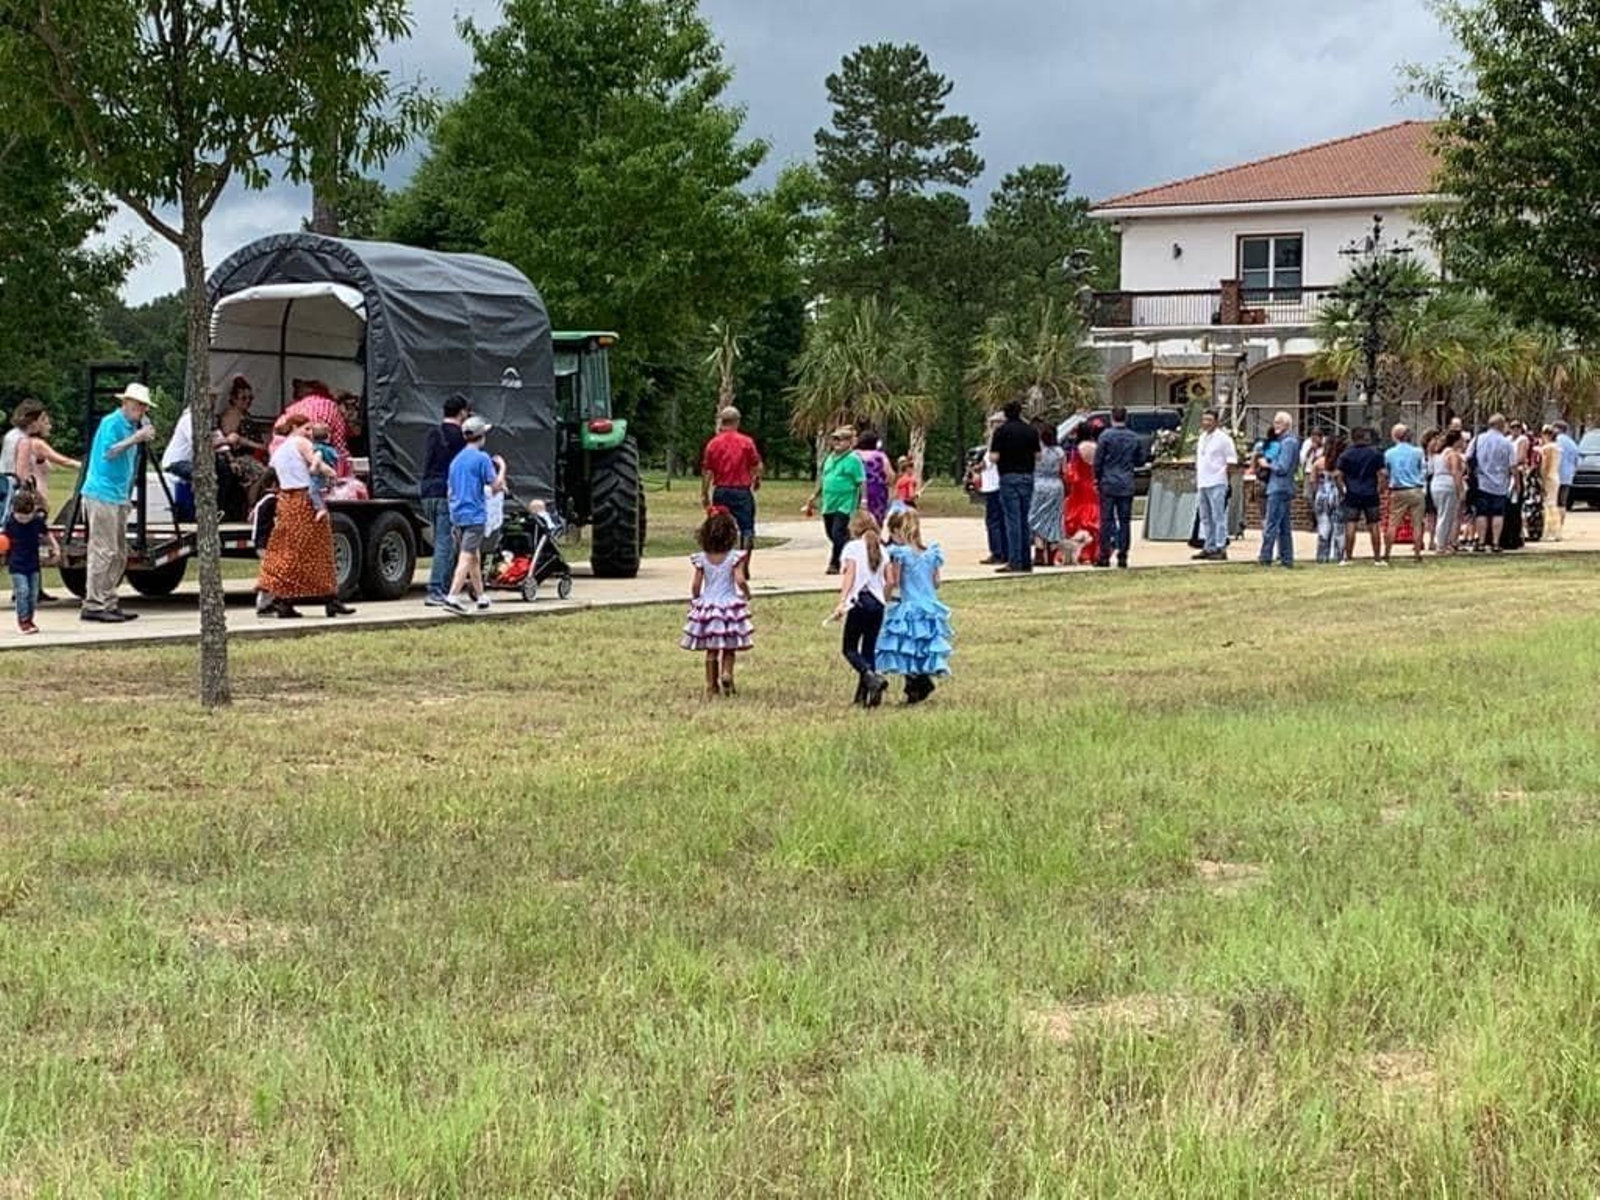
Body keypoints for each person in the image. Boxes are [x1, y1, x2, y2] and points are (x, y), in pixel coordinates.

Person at [258, 413, 349, 619]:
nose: (310, 433)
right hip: (304, 500)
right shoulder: (301, 443)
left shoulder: (279, 450)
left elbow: (273, 474)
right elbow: (314, 463)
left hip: (286, 501)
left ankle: (286, 599)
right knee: (319, 550)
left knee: (290, 550)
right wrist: (331, 472)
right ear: (294, 427)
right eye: (306, 428)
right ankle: (327, 599)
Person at [79, 382, 156, 622]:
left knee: (120, 553)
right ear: (125, 402)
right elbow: (109, 452)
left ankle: (108, 600)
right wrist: (136, 438)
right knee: (103, 550)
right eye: (137, 404)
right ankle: (94, 603)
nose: (141, 410)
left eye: (144, 406)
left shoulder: (132, 426)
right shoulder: (111, 423)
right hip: (101, 493)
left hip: (118, 495)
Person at [878, 508, 952, 705]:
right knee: (923, 647)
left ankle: (916, 684)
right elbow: (936, 582)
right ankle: (918, 684)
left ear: (898, 531)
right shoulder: (931, 553)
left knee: (906, 647)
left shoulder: (900, 554)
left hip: (910, 605)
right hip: (930, 606)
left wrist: (885, 593)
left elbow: (895, 581)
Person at [681, 507, 753, 698]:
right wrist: (746, 593)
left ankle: (711, 685)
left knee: (711, 649)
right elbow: (740, 580)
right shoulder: (734, 557)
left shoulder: (702, 559)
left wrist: (696, 599)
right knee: (729, 647)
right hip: (729, 605)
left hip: (709, 605)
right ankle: (727, 673)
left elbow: (696, 585)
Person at [440, 415, 507, 615]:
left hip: (457, 515)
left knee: (473, 556)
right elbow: (495, 486)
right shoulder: (482, 458)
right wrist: (502, 468)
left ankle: (481, 596)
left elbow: (450, 490)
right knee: (466, 556)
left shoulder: (456, 460)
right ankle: (453, 596)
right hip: (475, 515)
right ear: (482, 436)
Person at [830, 509, 889, 708]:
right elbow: (888, 579)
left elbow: (850, 575)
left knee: (849, 648)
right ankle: (863, 696)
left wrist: (842, 601)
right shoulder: (882, 549)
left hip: (860, 601)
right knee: (868, 649)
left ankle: (870, 677)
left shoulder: (852, 547)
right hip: (878, 603)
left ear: (854, 528)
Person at [420, 394, 471, 606]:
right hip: (446, 493)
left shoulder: (434, 432)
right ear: (462, 412)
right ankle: (436, 589)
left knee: (444, 540)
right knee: (445, 542)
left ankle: (447, 586)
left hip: (427, 492)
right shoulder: (461, 437)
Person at [700, 406, 764, 558]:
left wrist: (704, 493)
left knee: (719, 528)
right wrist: (756, 479)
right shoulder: (746, 442)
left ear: (722, 421)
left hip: (721, 491)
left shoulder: (713, 443)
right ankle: (744, 562)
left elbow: (708, 471)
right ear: (737, 421)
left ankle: (721, 561)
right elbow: (757, 465)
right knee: (747, 528)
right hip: (742, 491)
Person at [803, 428, 864, 575]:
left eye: (840, 439)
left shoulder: (853, 460)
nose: (837, 442)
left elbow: (861, 481)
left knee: (838, 532)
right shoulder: (830, 458)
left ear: (849, 442)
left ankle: (835, 563)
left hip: (845, 501)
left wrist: (864, 500)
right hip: (829, 502)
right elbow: (824, 479)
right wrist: (815, 495)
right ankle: (852, 549)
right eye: (835, 439)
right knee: (831, 533)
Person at [989, 401, 1040, 573]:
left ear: (1005, 414)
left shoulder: (1001, 432)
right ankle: (1026, 560)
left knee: (1012, 520)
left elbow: (994, 457)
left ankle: (1015, 560)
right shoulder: (1031, 431)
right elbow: (1038, 456)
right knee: (1025, 519)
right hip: (1027, 476)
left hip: (1008, 476)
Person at [1095, 407, 1142, 569]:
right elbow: (1140, 459)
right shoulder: (1134, 437)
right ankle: (1123, 555)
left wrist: (1098, 478)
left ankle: (1104, 555)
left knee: (1106, 520)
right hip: (1126, 482)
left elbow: (1098, 461)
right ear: (1125, 418)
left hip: (1108, 482)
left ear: (1112, 417)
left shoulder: (1105, 436)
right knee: (1125, 521)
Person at [5, 490, 56, 635]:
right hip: (17, 565)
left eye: (27, 516)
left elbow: (46, 534)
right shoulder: (10, 523)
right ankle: (23, 620)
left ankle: (29, 619)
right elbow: (4, 539)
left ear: (33, 512)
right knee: (23, 591)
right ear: (14, 511)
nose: (23, 520)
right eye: (20, 516)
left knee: (33, 595)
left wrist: (55, 547)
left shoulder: (37, 521)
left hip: (33, 564)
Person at [1336, 426, 1387, 565]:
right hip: (1370, 492)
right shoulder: (1375, 453)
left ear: (1352, 438)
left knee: (1350, 524)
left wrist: (1342, 491)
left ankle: (1348, 558)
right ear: (1365, 437)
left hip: (1352, 492)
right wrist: (1380, 489)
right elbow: (1383, 474)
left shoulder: (1346, 454)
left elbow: (1338, 475)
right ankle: (1377, 558)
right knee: (1374, 524)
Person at [1257, 410, 1300, 568]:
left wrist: (1267, 464)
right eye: (1275, 422)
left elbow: (1282, 467)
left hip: (1279, 487)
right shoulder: (1281, 442)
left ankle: (1265, 556)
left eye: (1279, 423)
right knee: (1283, 526)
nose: (1276, 425)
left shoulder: (1288, 442)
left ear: (1287, 425)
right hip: (1280, 487)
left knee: (1271, 524)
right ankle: (1286, 558)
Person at [1193, 408, 1237, 561]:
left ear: (1217, 422)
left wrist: (1226, 479)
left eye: (1210, 420)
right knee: (1205, 517)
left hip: (1217, 481)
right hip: (1203, 482)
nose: (1206, 423)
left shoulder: (1224, 439)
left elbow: (1231, 461)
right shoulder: (1202, 437)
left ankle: (1220, 546)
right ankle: (1209, 545)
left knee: (1218, 516)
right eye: (1204, 420)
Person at [1472, 414, 1515, 554]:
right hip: (1500, 483)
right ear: (1501, 425)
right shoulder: (1506, 443)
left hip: (1481, 482)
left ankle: (1481, 542)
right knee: (1498, 513)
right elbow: (1512, 465)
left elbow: (1468, 457)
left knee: (1481, 513)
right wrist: (1516, 482)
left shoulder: (1478, 439)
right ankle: (1496, 542)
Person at [1383, 424, 1426, 564]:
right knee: (1417, 524)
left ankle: (1387, 554)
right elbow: (1423, 469)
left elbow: (1387, 472)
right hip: (1415, 489)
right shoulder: (1418, 452)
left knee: (1393, 523)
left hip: (1398, 490)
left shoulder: (1389, 453)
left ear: (1395, 436)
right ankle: (1417, 554)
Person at [1027, 421, 1066, 565]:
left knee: (1038, 518)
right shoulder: (1060, 452)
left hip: (1039, 485)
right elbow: (1064, 471)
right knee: (1054, 519)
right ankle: (1051, 553)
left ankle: (1039, 551)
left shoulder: (1037, 451)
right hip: (1055, 485)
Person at [1064, 423, 1101, 565]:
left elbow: (1072, 471)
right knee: (1093, 519)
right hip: (1092, 486)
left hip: (1079, 488)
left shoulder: (1077, 449)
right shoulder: (1096, 447)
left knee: (1078, 520)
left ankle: (1081, 553)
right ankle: (1093, 553)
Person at [974, 412, 1005, 564]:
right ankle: (1004, 550)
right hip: (998, 485)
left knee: (993, 520)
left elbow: (988, 463)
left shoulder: (997, 442)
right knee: (1002, 519)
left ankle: (997, 551)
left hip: (994, 486)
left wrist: (976, 468)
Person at [248, 469, 280, 616]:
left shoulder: (262, 499)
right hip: (264, 543)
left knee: (270, 571)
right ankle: (264, 605)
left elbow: (251, 518)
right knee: (272, 573)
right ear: (274, 484)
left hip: (259, 542)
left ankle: (267, 602)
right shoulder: (272, 500)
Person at [1430, 430, 1467, 554]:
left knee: (1442, 513)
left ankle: (1443, 542)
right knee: (1447, 515)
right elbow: (1456, 472)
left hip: (1436, 484)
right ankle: (1441, 544)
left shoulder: (1438, 454)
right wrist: (1460, 490)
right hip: (1448, 485)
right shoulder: (1452, 454)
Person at [1310, 434, 1345, 564]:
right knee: (1339, 528)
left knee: (1323, 527)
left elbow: (1313, 482)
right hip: (1338, 495)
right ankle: (1338, 556)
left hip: (1322, 494)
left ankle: (1322, 556)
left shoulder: (1318, 462)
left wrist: (1317, 493)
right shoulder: (1342, 463)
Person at [855, 430, 892, 525]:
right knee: (877, 518)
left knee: (857, 518)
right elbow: (890, 475)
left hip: (857, 490)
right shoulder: (880, 456)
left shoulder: (854, 455)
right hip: (877, 491)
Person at [1543, 424, 1569, 541]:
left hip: (1549, 477)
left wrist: (1542, 477)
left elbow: (1546, 465)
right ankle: (1556, 531)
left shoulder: (1548, 448)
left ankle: (1551, 531)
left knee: (1549, 505)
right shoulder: (1558, 447)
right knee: (1553, 504)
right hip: (1555, 475)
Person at [305, 421, 338, 515]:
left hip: (318, 477)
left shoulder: (318, 449)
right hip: (329, 476)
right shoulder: (330, 449)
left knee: (313, 492)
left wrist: (313, 468)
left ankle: (320, 508)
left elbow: (318, 457)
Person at [1555, 420, 1580, 515]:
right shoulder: (1571, 443)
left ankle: (1554, 520)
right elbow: (1576, 459)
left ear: (1559, 429)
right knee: (1563, 501)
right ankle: (1561, 519)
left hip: (1555, 474)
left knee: (1555, 500)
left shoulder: (1556, 440)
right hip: (1567, 475)